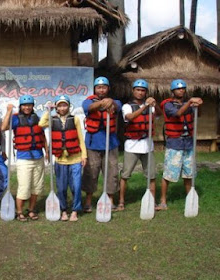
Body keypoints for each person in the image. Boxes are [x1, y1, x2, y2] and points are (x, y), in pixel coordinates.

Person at [39, 95, 87, 221]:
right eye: (59, 105)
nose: (62, 107)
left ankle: (75, 210)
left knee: (76, 186)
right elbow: (41, 124)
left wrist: (84, 156)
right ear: (56, 107)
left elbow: (81, 139)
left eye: (64, 105)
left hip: (75, 159)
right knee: (61, 187)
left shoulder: (75, 119)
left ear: (69, 106)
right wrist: (48, 110)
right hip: (60, 160)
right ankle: (64, 210)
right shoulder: (52, 119)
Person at [157, 79, 203, 210]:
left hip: (188, 143)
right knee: (169, 174)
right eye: (178, 89)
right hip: (174, 143)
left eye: (183, 88)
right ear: (173, 91)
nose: (181, 90)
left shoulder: (189, 105)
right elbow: (177, 113)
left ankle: (191, 199)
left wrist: (199, 104)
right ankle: (163, 201)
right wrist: (190, 102)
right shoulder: (168, 105)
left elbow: (198, 114)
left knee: (189, 174)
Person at [1, 95, 47, 221]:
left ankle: (31, 210)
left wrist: (47, 152)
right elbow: (3, 127)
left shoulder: (37, 118)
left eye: (29, 105)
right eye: (24, 105)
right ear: (21, 106)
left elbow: (42, 136)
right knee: (24, 187)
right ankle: (19, 211)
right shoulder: (15, 119)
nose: (27, 107)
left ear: (33, 106)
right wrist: (9, 111)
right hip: (24, 158)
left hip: (38, 157)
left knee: (36, 187)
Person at [118, 79, 162, 211]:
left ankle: (152, 201)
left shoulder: (151, 106)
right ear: (133, 91)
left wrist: (155, 104)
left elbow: (159, 114)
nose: (140, 92)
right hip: (132, 145)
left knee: (151, 175)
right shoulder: (127, 106)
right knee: (125, 175)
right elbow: (130, 117)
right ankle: (121, 201)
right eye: (138, 90)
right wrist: (145, 107)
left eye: (143, 90)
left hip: (147, 145)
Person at [81, 76, 122, 212]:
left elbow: (117, 106)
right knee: (91, 172)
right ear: (95, 89)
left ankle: (110, 199)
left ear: (108, 89)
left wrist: (110, 102)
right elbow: (91, 107)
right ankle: (88, 200)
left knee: (112, 172)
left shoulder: (115, 102)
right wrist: (102, 103)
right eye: (99, 87)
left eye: (104, 87)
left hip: (111, 143)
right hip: (93, 144)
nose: (101, 90)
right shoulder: (87, 102)